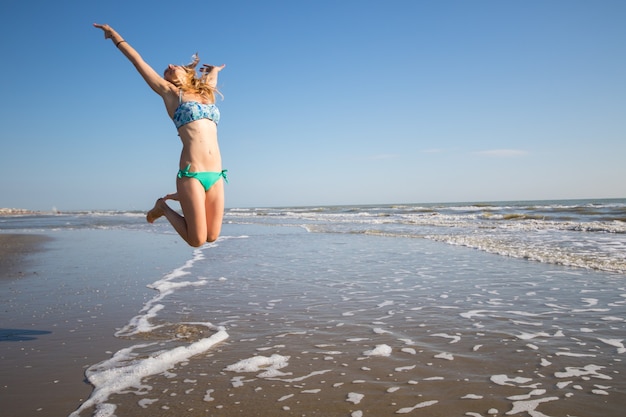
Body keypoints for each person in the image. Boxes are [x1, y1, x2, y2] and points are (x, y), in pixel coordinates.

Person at [93, 23, 227, 247]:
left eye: (174, 65)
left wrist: (215, 70)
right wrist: (115, 36)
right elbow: (138, 61)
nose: (168, 66)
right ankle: (163, 207)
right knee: (197, 241)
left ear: (187, 72)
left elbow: (211, 79)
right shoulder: (171, 94)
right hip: (191, 173)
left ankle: (180, 199)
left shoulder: (206, 94)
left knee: (212, 237)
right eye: (166, 70)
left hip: (216, 174)